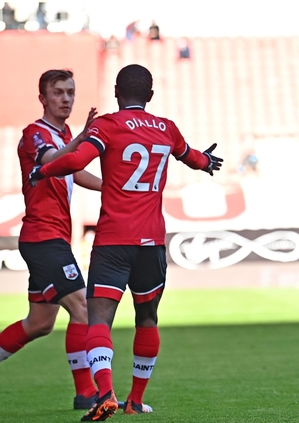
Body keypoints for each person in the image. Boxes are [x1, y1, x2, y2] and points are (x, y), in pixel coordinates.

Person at [29, 64, 223, 421]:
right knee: (147, 319)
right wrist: (207, 161)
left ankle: (105, 393)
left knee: (99, 320)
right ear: (150, 95)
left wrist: (43, 170)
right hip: (152, 244)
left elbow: (76, 160)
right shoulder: (167, 128)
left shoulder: (107, 125)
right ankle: (135, 400)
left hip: (113, 242)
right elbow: (192, 156)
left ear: (116, 93)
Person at [0, 69, 102, 412]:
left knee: (40, 323)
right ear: (43, 98)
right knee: (83, 308)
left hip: (53, 238)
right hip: (43, 238)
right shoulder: (35, 134)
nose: (66, 99)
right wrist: (80, 140)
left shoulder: (63, 135)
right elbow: (52, 160)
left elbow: (73, 168)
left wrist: (111, 187)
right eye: (58, 92)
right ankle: (86, 393)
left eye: (70, 92)